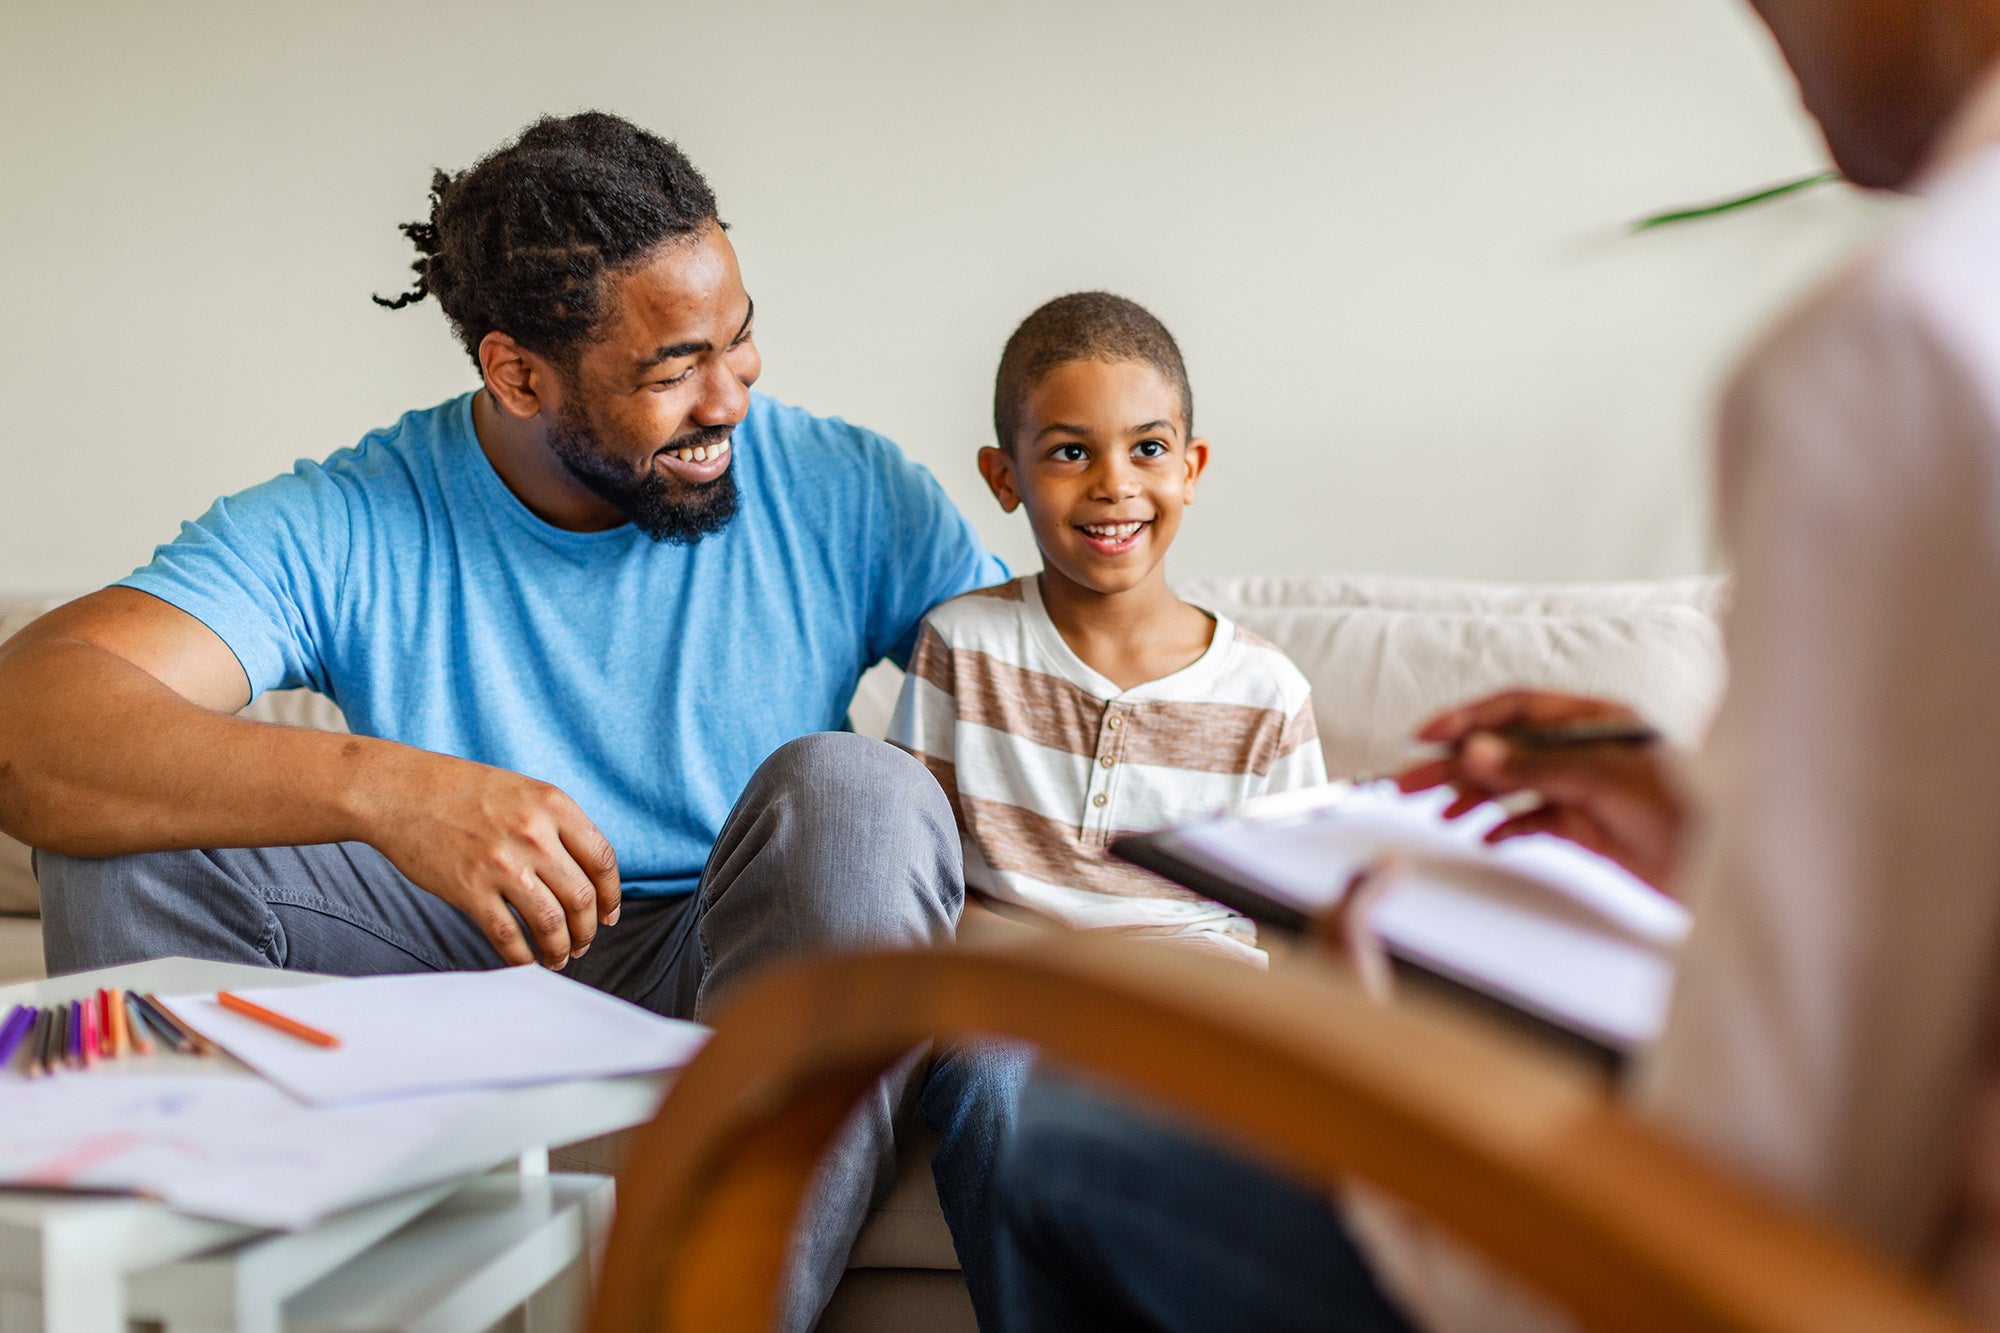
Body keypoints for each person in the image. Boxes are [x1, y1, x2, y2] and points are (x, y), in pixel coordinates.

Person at [988, 0, 2000, 1326]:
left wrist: (1371, 1067)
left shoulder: (1900, 351)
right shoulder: (968, 646)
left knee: (1068, 1133)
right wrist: (1717, 842)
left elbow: (1743, 1199)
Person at [0, 111, 1014, 1332]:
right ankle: (195, 1291)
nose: (730, 397)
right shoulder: (356, 513)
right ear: (517, 373)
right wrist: (389, 787)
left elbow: (1035, 704)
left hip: (734, 961)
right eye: (671, 369)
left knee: (862, 787)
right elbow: (30, 725)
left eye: (739, 343)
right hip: (450, 958)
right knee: (125, 815)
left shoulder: (851, 488)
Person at [888, 291, 1327, 964]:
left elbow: (1303, 939)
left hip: (1197, 1026)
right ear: (1005, 478)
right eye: (1070, 453)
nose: (1114, 484)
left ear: (1190, 469)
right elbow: (913, 885)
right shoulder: (961, 646)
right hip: (1010, 1007)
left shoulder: (1268, 692)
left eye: (1148, 447)